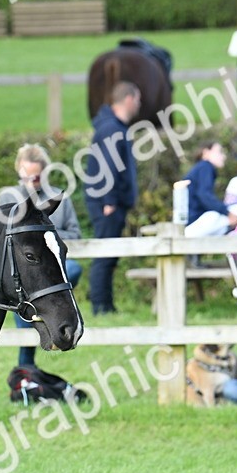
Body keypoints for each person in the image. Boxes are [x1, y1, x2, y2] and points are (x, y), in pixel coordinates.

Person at [8, 144, 83, 367]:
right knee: (22, 284)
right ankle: (28, 353)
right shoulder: (9, 200)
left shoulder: (59, 198)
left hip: (55, 264)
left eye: (37, 176)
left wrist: (47, 237)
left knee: (74, 269)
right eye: (26, 176)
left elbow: (75, 233)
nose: (31, 181)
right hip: (24, 267)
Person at [83, 80, 140, 315]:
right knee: (104, 254)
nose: (139, 105)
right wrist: (109, 200)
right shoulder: (111, 129)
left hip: (111, 201)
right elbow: (108, 167)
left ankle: (105, 303)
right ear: (128, 99)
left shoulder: (113, 127)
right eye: (138, 99)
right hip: (108, 203)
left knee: (109, 254)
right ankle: (100, 305)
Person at [182, 142, 237, 238]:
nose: (223, 156)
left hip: (189, 221)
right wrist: (228, 213)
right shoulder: (205, 166)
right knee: (221, 217)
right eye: (220, 152)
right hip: (194, 222)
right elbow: (204, 195)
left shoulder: (199, 168)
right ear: (206, 152)